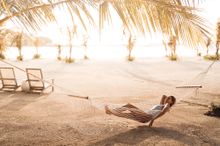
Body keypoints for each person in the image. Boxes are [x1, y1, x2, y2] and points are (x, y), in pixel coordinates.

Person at [105, 95, 176, 127]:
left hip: (147, 117)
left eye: (169, 98)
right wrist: (168, 98)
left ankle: (111, 111)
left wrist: (152, 120)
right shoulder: (162, 105)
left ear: (171, 102)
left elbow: (162, 112)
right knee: (128, 106)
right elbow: (163, 96)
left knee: (129, 109)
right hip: (145, 115)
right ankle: (111, 111)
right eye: (168, 97)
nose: (167, 98)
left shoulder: (166, 106)